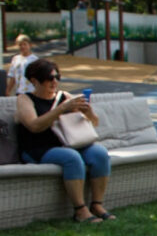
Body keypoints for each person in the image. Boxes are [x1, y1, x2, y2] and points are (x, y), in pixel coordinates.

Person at [14, 59, 114, 223]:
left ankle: (96, 204)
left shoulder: (64, 97)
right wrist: (62, 109)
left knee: (100, 153)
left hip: (67, 143)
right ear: (34, 81)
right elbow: (34, 126)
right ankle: (80, 210)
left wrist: (88, 113)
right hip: (37, 148)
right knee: (71, 157)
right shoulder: (25, 99)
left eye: (57, 77)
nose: (55, 81)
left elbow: (94, 123)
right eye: (49, 78)